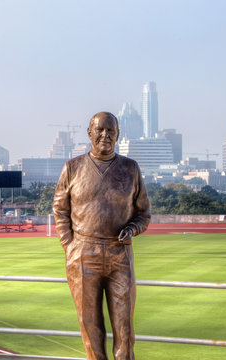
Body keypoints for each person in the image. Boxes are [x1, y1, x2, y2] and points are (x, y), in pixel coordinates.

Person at [53, 111, 151, 360]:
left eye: (111, 130)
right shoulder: (72, 168)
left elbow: (143, 213)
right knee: (91, 329)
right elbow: (59, 209)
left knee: (125, 331)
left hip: (120, 255)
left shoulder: (130, 168)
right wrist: (70, 246)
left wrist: (133, 228)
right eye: (100, 130)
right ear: (89, 133)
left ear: (118, 134)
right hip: (83, 255)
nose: (105, 135)